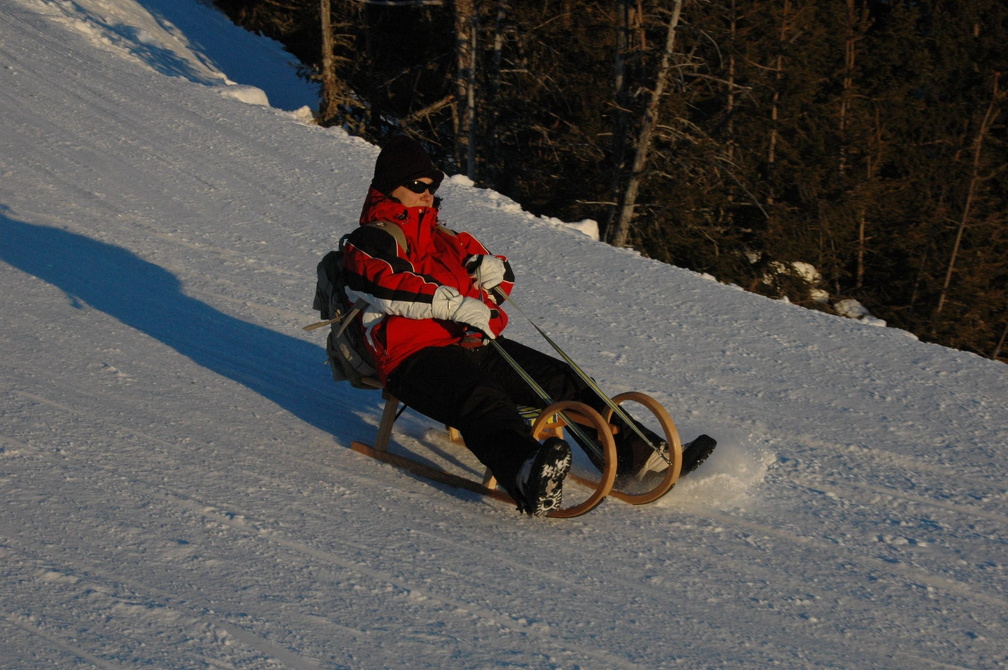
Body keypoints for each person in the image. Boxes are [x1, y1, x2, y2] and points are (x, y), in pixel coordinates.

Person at [342, 136, 714, 516]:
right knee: (481, 398)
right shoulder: (370, 239)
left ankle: (643, 460)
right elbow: (387, 285)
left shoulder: (447, 238)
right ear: (390, 188)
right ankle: (525, 473)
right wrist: (456, 305)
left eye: (432, 186)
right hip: (410, 356)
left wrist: (495, 274)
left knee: (561, 379)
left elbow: (501, 283)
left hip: (469, 343)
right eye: (417, 186)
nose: (427, 194)